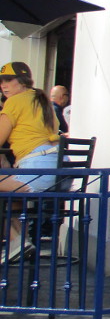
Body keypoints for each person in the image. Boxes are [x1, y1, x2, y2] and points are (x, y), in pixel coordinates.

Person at [0, 62, 57, 262]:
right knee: (12, 197)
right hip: (59, 173)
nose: (4, 85)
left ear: (23, 81)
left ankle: (17, 241)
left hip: (37, 170)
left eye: (9, 80)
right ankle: (20, 245)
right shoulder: (41, 99)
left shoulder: (15, 102)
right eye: (1, 81)